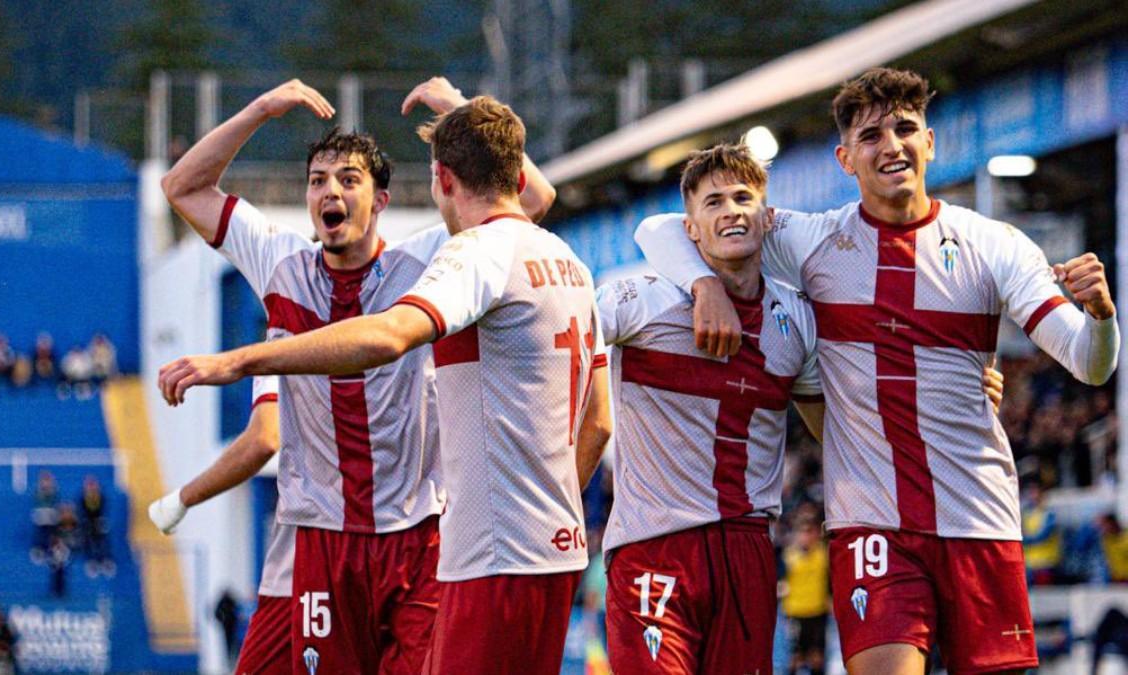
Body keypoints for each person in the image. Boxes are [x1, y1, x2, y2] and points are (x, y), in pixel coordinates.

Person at [635, 67, 1119, 674]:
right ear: (845, 158)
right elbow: (658, 227)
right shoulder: (812, 241)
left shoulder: (994, 246)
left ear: (930, 142)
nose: (891, 145)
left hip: (977, 519)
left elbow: (1089, 365)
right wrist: (704, 284)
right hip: (873, 526)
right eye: (871, 135)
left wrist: (1100, 315)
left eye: (906, 128)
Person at [157, 95, 612, 675]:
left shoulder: (430, 261)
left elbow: (522, 199)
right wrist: (262, 111)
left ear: (382, 202)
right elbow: (183, 187)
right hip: (322, 539)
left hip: (419, 537)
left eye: (350, 179)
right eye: (317, 180)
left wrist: (462, 120)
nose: (331, 192)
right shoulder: (279, 261)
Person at [595, 142, 824, 674]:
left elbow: (834, 425)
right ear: (690, 229)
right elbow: (557, 345)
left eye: (743, 198)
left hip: (746, 550)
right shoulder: (639, 301)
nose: (731, 211)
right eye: (714, 202)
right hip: (653, 547)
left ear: (766, 217)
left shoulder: (797, 321)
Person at [149, 377, 292, 674]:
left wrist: (181, 499)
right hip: (388, 535)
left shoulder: (282, 337)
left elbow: (264, 440)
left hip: (320, 555)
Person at [783, 519, 831, 675]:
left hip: (818, 610)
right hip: (795, 611)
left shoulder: (823, 554)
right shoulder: (788, 556)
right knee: (796, 656)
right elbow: (779, 581)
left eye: (810, 532)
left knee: (817, 656)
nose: (806, 536)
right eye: (803, 532)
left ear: (816, 534)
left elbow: (831, 580)